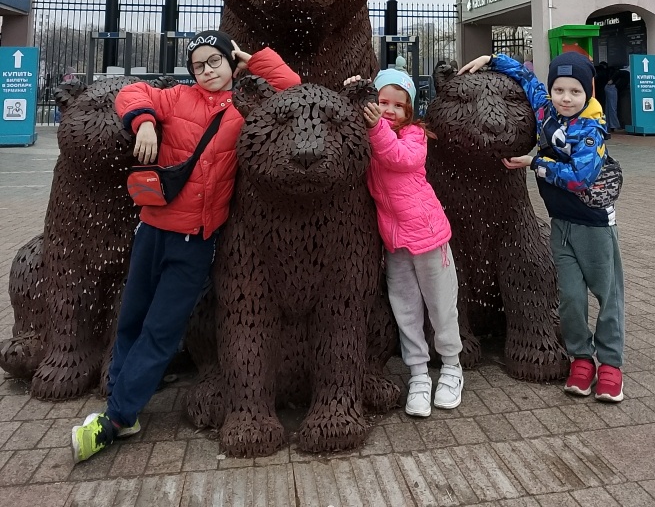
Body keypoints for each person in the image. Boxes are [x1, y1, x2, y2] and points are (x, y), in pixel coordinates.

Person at [71, 30, 301, 463]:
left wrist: (254, 59)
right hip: (153, 229)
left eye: (215, 60)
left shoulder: (245, 108)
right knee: (131, 318)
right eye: (199, 65)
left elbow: (292, 88)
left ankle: (117, 418)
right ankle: (122, 399)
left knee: (161, 329)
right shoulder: (176, 98)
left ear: (230, 62)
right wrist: (144, 122)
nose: (207, 70)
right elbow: (132, 92)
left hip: (195, 240)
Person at [458, 50, 625, 403]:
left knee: (607, 295)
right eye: (559, 90)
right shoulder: (548, 112)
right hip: (561, 224)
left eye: (575, 91)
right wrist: (491, 59)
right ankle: (581, 358)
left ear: (588, 92)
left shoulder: (591, 129)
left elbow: (580, 177)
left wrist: (535, 163)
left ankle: (611, 364)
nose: (566, 98)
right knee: (571, 298)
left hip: (593, 226)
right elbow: (527, 79)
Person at [344, 67, 463, 417]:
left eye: (399, 105)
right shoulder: (370, 133)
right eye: (382, 102)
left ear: (410, 109)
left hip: (428, 238)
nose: (390, 110)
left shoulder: (414, 135)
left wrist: (375, 127)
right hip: (395, 243)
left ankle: (452, 366)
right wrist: (353, 90)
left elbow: (400, 158)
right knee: (406, 311)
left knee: (441, 307)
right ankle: (419, 373)